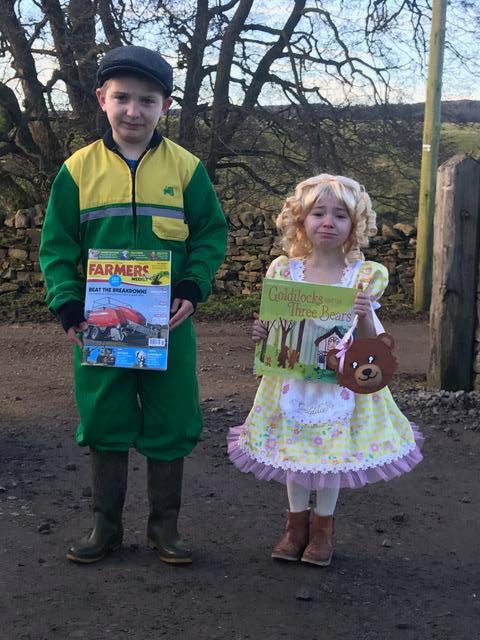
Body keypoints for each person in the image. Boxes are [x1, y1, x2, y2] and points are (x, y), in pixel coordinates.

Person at [40, 45, 228, 565]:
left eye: (147, 100)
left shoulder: (186, 169)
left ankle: (164, 528)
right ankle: (106, 528)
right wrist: (68, 305)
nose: (133, 111)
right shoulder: (77, 170)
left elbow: (211, 235)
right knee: (105, 417)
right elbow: (55, 246)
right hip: (99, 325)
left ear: (164, 106)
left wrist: (193, 287)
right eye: (122, 97)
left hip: (168, 322)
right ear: (102, 99)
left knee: (172, 419)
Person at [228, 174, 423, 566]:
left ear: (356, 225)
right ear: (300, 220)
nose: (328, 222)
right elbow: (272, 332)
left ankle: (322, 532)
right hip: (290, 383)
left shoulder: (362, 278)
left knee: (329, 456)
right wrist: (261, 332)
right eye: (319, 213)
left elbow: (372, 345)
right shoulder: (284, 272)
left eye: (340, 215)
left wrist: (365, 315)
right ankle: (294, 528)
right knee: (294, 453)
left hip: (339, 386)